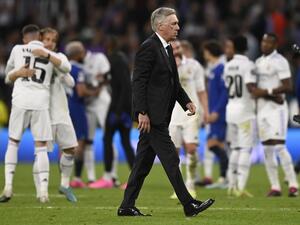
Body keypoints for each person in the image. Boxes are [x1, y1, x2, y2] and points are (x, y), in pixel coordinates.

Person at [117, 7, 214, 217]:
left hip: (159, 115)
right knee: (171, 158)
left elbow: (173, 82)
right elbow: (138, 81)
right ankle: (189, 204)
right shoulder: (148, 48)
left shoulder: (167, 48)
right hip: (152, 117)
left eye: (177, 23)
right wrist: (141, 111)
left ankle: (126, 206)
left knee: (142, 165)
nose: (178, 27)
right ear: (160, 26)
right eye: (174, 23)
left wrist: (186, 101)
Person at [0, 24, 57, 203]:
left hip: (20, 100)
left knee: (13, 142)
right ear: (39, 38)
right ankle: (43, 192)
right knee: (40, 147)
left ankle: (8, 186)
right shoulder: (51, 55)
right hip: (41, 102)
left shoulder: (17, 49)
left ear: (25, 38)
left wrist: (18, 73)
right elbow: (66, 71)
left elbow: (8, 77)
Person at [247, 33, 299, 197]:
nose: (264, 45)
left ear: (275, 45)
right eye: (263, 41)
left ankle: (293, 184)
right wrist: (268, 94)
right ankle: (275, 186)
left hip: (277, 110)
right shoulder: (258, 62)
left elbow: (288, 86)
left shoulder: (280, 61)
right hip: (263, 109)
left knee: (279, 146)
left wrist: (265, 92)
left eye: (268, 42)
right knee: (268, 148)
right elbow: (254, 89)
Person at [31, 27, 77, 202]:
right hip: (43, 113)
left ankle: (65, 185)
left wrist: (56, 67)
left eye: (53, 40)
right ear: (40, 40)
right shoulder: (33, 59)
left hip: (62, 112)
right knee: (41, 152)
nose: (50, 43)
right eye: (47, 40)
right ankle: (40, 192)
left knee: (71, 149)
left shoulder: (60, 58)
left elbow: (70, 80)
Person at [88, 36, 135, 189]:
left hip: (118, 107)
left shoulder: (115, 60)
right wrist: (104, 79)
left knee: (109, 139)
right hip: (123, 107)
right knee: (123, 141)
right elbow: (120, 82)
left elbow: (124, 87)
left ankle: (109, 176)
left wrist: (119, 111)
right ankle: (132, 178)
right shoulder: (120, 60)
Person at [169, 39, 208, 199]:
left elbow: (201, 90)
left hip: (191, 114)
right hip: (171, 115)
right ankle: (178, 189)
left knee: (191, 148)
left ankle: (191, 183)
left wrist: (206, 110)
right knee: (173, 154)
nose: (177, 50)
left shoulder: (194, 66)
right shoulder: (164, 67)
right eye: (174, 48)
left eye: (178, 47)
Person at [224, 35, 257, 197]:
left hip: (231, 110)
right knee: (245, 148)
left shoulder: (228, 66)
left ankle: (231, 185)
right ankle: (240, 187)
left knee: (235, 148)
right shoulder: (248, 65)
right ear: (246, 48)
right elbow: (251, 87)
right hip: (245, 111)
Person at [65, 41, 100, 188]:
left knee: (65, 142)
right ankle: (77, 178)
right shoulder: (78, 69)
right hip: (77, 107)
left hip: (64, 106)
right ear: (79, 54)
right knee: (80, 141)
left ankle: (64, 176)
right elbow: (81, 91)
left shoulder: (63, 68)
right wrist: (95, 91)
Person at [200, 40, 229, 189]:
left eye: (205, 51)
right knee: (214, 145)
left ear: (210, 52)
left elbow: (225, 92)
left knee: (214, 144)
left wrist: (216, 111)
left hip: (219, 113)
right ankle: (225, 177)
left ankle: (225, 177)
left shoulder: (221, 68)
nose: (204, 54)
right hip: (213, 111)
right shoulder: (212, 68)